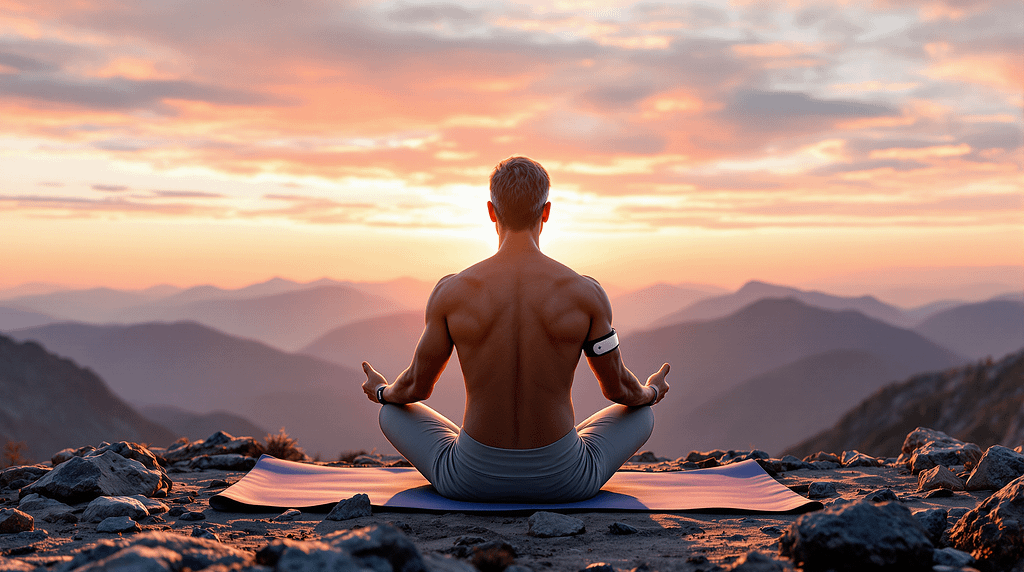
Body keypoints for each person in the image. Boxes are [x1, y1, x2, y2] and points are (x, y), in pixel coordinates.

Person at [361, 156, 670, 502]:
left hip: (468, 480)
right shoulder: (585, 293)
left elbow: (415, 387)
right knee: (642, 415)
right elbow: (620, 391)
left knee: (391, 413)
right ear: (547, 211)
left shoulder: (452, 291)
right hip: (566, 481)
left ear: (492, 211)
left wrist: (381, 391)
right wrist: (652, 392)